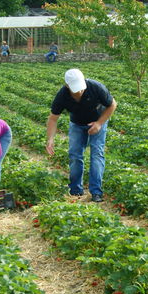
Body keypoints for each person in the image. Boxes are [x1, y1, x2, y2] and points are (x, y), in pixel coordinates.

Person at [46, 68, 117, 202]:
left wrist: (99, 123)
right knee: (75, 155)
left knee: (97, 153)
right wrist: (50, 139)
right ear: (67, 86)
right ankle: (75, 190)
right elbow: (53, 118)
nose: (79, 91)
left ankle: (96, 192)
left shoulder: (95, 87)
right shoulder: (62, 95)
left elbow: (112, 104)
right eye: (75, 89)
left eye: (80, 87)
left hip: (98, 121)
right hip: (77, 124)